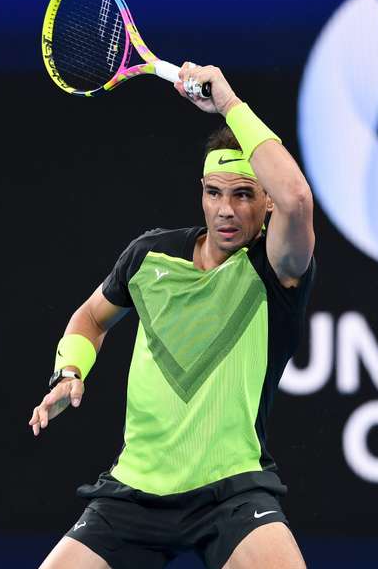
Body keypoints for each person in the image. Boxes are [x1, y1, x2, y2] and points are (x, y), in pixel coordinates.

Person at [30, 62, 315, 569]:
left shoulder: (276, 271)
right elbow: (91, 319)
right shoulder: (149, 257)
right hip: (135, 489)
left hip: (231, 493)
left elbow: (298, 197)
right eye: (214, 193)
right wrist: (69, 370)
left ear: (265, 204)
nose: (226, 210)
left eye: (243, 194)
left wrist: (229, 103)